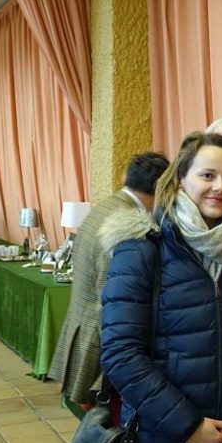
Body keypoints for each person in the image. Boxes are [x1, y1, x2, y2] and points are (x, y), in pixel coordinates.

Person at [100, 132, 222, 443]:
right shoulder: (141, 249)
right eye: (207, 175)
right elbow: (120, 353)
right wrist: (189, 425)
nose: (220, 187)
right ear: (180, 178)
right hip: (159, 441)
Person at [48, 151, 170, 417]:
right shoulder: (127, 224)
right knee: (105, 430)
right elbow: (110, 299)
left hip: (83, 326)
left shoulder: (104, 208)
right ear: (162, 190)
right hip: (99, 341)